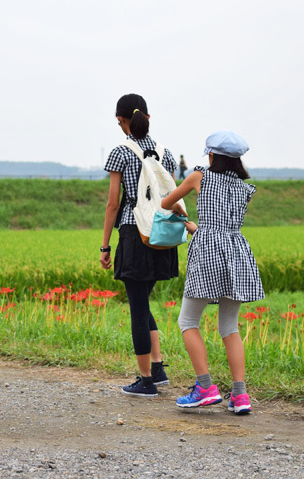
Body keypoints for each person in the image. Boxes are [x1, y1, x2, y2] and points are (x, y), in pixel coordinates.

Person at [161, 130, 265, 414]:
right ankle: (240, 396)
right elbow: (223, 222)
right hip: (237, 251)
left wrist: (192, 223)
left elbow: (166, 203)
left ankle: (205, 387)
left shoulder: (199, 177)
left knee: (188, 320)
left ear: (211, 155)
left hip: (207, 251)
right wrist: (204, 226)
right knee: (230, 326)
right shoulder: (246, 189)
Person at [100, 93, 179, 398]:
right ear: (147, 117)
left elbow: (112, 204)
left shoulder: (120, 152)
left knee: (137, 307)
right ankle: (157, 370)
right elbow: (171, 197)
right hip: (160, 236)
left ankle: (145, 381)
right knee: (143, 301)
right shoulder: (166, 153)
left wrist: (105, 246)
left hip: (134, 235)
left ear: (122, 120)